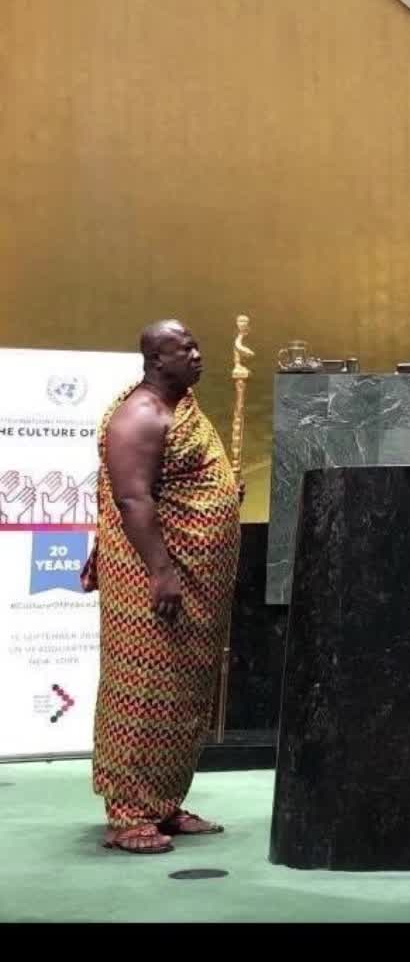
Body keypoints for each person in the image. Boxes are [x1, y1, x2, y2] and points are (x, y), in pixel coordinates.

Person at [81, 320, 242, 855]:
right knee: (143, 692)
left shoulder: (182, 407)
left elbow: (178, 480)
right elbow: (132, 499)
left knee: (182, 695)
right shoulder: (140, 416)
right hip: (151, 579)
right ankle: (128, 813)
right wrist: (161, 571)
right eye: (183, 349)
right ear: (155, 359)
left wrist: (220, 490)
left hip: (196, 581)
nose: (197, 355)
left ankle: (163, 802)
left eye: (196, 345)